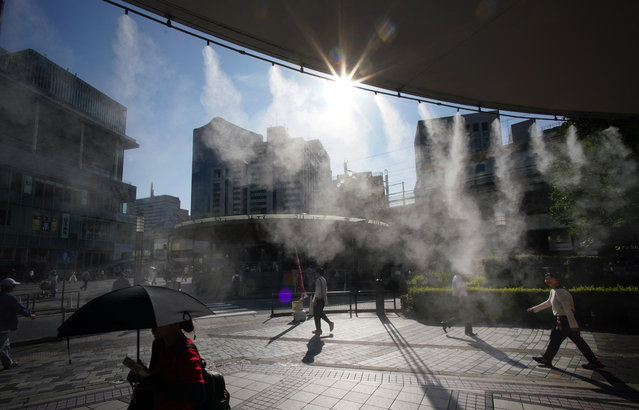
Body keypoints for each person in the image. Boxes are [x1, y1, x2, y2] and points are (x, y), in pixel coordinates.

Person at [527, 271, 605, 370]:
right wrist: (534, 309)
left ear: (557, 279)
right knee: (556, 340)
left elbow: (568, 310)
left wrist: (573, 326)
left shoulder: (561, 292)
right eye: (546, 278)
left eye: (550, 278)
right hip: (562, 322)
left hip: (566, 322)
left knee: (572, 342)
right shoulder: (554, 291)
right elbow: (548, 303)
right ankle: (547, 359)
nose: (547, 280)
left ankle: (594, 362)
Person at [131, 319, 205, 409]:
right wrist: (142, 373)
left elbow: (196, 394)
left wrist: (150, 381)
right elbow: (155, 376)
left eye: (157, 323)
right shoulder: (158, 345)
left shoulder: (186, 352)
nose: (152, 329)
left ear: (174, 322)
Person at [0, 278, 36, 370]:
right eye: (14, 286)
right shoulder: (9, 297)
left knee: (6, 345)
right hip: (4, 325)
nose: (15, 287)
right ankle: (8, 363)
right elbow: (19, 308)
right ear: (9, 287)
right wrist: (29, 314)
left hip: (4, 325)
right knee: (3, 346)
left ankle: (8, 363)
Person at [312, 268, 334, 335]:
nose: (315, 274)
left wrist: (315, 300)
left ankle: (319, 329)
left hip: (319, 299)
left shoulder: (318, 280)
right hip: (323, 299)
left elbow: (318, 291)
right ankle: (327, 324)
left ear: (318, 273)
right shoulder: (324, 279)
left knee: (316, 314)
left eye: (316, 272)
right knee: (319, 313)